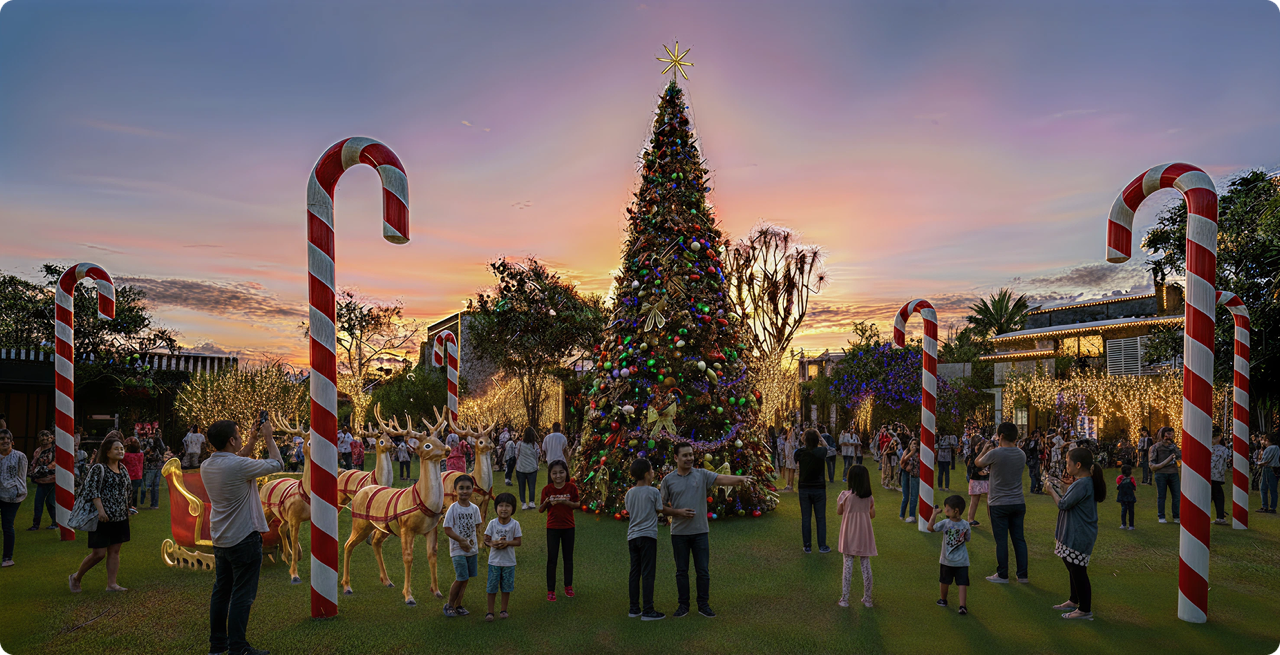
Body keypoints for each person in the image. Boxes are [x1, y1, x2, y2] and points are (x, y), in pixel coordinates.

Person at [202, 414, 283, 655]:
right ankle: (238, 647)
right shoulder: (237, 466)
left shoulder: (209, 464)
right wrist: (268, 437)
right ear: (230, 441)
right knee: (242, 595)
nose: (240, 439)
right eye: (237, 436)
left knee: (221, 591)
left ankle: (217, 646)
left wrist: (251, 440)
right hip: (244, 538)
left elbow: (237, 459)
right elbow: (277, 464)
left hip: (221, 538)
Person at [660, 442, 751, 618]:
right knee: (681, 571)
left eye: (691, 454)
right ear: (676, 458)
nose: (690, 458)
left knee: (703, 571)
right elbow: (661, 507)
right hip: (679, 534)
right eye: (685, 455)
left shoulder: (701, 474)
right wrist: (677, 512)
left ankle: (703, 605)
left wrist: (741, 479)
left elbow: (721, 479)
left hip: (700, 532)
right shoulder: (668, 480)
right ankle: (683, 606)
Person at [626, 458, 689, 620]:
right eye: (652, 470)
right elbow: (661, 510)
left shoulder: (629, 493)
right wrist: (680, 512)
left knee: (635, 572)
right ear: (647, 474)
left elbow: (631, 511)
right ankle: (648, 610)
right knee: (648, 573)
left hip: (632, 537)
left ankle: (634, 608)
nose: (654, 473)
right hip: (647, 536)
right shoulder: (653, 491)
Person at [1046, 447, 1105, 620]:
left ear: (1078, 465)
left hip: (1079, 533)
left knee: (1077, 570)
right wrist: (1061, 485)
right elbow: (1069, 498)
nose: (1066, 465)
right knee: (1072, 565)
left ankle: (1084, 609)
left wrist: (1050, 490)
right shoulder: (1083, 482)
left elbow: (1063, 504)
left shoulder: (1083, 483)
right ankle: (1074, 600)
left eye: (1067, 462)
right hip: (1076, 531)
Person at [69, 433, 132, 593]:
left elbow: (127, 490)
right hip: (102, 518)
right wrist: (101, 510)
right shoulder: (99, 468)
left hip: (120, 517)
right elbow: (92, 490)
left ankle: (112, 584)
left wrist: (128, 509)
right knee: (99, 553)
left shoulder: (122, 469)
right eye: (116, 449)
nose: (120, 451)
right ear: (107, 451)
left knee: (115, 551)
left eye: (121, 448)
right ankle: (76, 578)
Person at [975, 422, 1028, 584]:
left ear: (1001, 436)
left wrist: (984, 450)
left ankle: (1003, 574)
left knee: (1001, 540)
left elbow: (978, 463)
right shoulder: (1021, 454)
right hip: (1018, 501)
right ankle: (1022, 575)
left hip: (999, 502)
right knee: (1019, 539)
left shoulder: (996, 453)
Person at [442, 474, 484, 618]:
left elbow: (478, 525)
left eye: (468, 488)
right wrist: (461, 540)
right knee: (461, 577)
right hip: (457, 549)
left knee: (466, 578)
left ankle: (459, 605)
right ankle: (449, 605)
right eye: (461, 488)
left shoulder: (474, 509)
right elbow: (447, 529)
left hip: (471, 550)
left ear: (473, 489)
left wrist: (474, 541)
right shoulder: (453, 509)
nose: (464, 491)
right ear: (455, 490)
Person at [836, 464, 877, 608]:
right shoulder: (869, 498)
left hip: (849, 533)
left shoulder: (844, 496)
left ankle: (845, 599)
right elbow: (872, 514)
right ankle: (868, 599)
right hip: (864, 534)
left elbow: (839, 512)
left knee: (848, 565)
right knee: (865, 565)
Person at [538, 460, 579, 601]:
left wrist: (567, 503)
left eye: (561, 472)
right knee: (552, 559)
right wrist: (546, 502)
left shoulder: (571, 488)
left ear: (566, 472)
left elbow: (577, 504)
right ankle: (551, 589)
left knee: (568, 558)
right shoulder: (547, 489)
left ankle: (568, 586)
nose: (558, 476)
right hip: (552, 527)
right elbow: (541, 509)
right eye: (554, 473)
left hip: (568, 527)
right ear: (550, 474)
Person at [482, 492, 522, 622]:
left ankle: (503, 610)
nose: (504, 509)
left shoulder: (515, 524)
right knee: (491, 587)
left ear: (513, 509)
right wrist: (492, 543)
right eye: (501, 505)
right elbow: (486, 539)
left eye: (508, 506)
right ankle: (490, 612)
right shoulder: (492, 524)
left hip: (509, 562)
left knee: (506, 587)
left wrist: (507, 543)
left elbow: (518, 541)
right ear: (496, 508)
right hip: (494, 561)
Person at [930, 495, 971, 616]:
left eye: (947, 509)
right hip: (962, 560)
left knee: (944, 581)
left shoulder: (945, 523)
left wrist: (934, 514)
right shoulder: (966, 525)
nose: (945, 510)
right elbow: (967, 539)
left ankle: (943, 600)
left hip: (946, 560)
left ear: (955, 510)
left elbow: (930, 528)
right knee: (962, 583)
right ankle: (962, 606)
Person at [794, 429, 831, 553]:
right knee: (820, 518)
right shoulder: (821, 451)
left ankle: (807, 545)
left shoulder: (799, 453)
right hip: (819, 488)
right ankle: (822, 545)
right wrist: (819, 436)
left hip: (804, 487)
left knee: (806, 518)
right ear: (817, 440)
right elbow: (829, 448)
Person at [0, 427, 29, 567]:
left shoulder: (19, 456)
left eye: (7, 439)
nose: (5, 441)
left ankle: (7, 558)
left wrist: (18, 491)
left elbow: (22, 477)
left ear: (12, 442)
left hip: (12, 496)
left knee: (7, 525)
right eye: (1, 439)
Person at [1149, 427, 1181, 523]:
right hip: (1161, 474)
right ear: (1162, 435)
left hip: (1173, 473)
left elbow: (1180, 460)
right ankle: (1161, 516)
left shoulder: (1175, 447)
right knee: (1161, 496)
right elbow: (1152, 465)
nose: (1169, 436)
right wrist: (1163, 464)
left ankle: (1176, 516)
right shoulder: (1155, 447)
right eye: (1167, 434)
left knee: (1176, 496)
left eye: (1171, 434)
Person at [28, 430, 58, 530]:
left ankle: (55, 523)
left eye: (46, 437)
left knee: (50, 502)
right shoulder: (38, 450)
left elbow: (54, 464)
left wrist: (41, 470)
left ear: (51, 438)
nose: (44, 439)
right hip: (41, 480)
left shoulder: (54, 451)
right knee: (39, 502)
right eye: (41, 437)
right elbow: (34, 463)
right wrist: (33, 473)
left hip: (51, 480)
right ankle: (36, 524)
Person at [965, 433, 990, 528]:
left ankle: (992, 518)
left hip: (986, 478)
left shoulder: (986, 453)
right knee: (975, 500)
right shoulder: (972, 454)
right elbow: (973, 467)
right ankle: (970, 519)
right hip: (976, 479)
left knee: (989, 500)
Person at [514, 428, 541, 509]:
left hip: (521, 468)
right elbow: (538, 455)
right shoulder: (535, 445)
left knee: (521, 486)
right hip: (532, 468)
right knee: (532, 486)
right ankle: (531, 502)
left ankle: (523, 504)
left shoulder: (519, 444)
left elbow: (516, 454)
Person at [1209, 430, 1232, 525]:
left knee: (1215, 495)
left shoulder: (1211, 448)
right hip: (1217, 475)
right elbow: (1228, 458)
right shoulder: (1224, 449)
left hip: (1212, 475)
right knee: (1218, 496)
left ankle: (1220, 515)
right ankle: (1220, 516)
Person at [898, 437, 921, 523]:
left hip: (914, 475)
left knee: (914, 496)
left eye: (915, 444)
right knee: (906, 496)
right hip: (905, 474)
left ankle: (912, 516)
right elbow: (902, 461)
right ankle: (902, 514)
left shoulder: (919, 453)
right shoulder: (907, 451)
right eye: (912, 443)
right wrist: (911, 453)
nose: (914, 445)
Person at [141, 433, 165, 509]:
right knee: (156, 486)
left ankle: (152, 503)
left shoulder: (150, 442)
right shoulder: (160, 444)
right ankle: (155, 504)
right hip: (158, 467)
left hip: (151, 467)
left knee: (149, 486)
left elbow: (145, 452)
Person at [1258, 432, 1280, 513]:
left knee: (1264, 488)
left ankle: (1265, 506)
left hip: (1268, 468)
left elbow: (1265, 460)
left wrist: (1259, 464)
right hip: (1275, 469)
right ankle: (1272, 507)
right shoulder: (1277, 448)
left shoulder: (1269, 449)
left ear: (1267, 440)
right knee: (1273, 489)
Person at [122, 437, 144, 514]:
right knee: (134, 493)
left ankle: (127, 507)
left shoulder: (125, 455)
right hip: (138, 476)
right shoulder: (141, 454)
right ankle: (134, 506)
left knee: (127, 492)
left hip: (128, 476)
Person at [1116, 464, 1137, 530]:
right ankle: (1131, 525)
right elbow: (1134, 487)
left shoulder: (1121, 480)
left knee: (1123, 510)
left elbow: (1118, 486)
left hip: (1123, 497)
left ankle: (1123, 524)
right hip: (1130, 497)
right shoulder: (1131, 479)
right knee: (1131, 511)